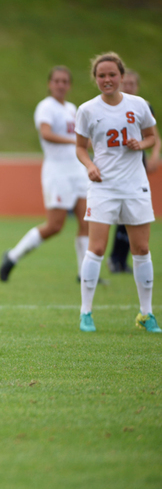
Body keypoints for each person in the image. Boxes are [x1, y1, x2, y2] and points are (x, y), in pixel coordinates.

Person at [74, 52, 160, 333]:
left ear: (122, 77)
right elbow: (80, 147)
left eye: (112, 74)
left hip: (135, 186)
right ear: (95, 79)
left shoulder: (138, 105)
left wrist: (141, 144)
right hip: (103, 187)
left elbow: (152, 136)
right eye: (101, 75)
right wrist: (89, 165)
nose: (107, 79)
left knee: (142, 249)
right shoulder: (87, 109)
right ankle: (85, 313)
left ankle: (146, 314)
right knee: (96, 248)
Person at [0, 66, 90, 282]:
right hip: (57, 171)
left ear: (69, 85)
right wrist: (76, 141)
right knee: (55, 226)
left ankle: (84, 275)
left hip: (77, 169)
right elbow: (46, 133)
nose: (60, 85)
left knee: (87, 221)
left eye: (64, 81)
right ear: (50, 84)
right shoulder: (45, 107)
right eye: (57, 81)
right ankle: (13, 256)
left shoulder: (72, 108)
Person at [108, 69, 162, 274]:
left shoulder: (142, 106)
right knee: (120, 213)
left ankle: (121, 260)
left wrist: (154, 155)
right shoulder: (113, 105)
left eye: (132, 83)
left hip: (136, 163)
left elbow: (154, 136)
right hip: (117, 165)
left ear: (137, 86)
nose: (129, 86)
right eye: (126, 83)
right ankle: (115, 258)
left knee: (133, 213)